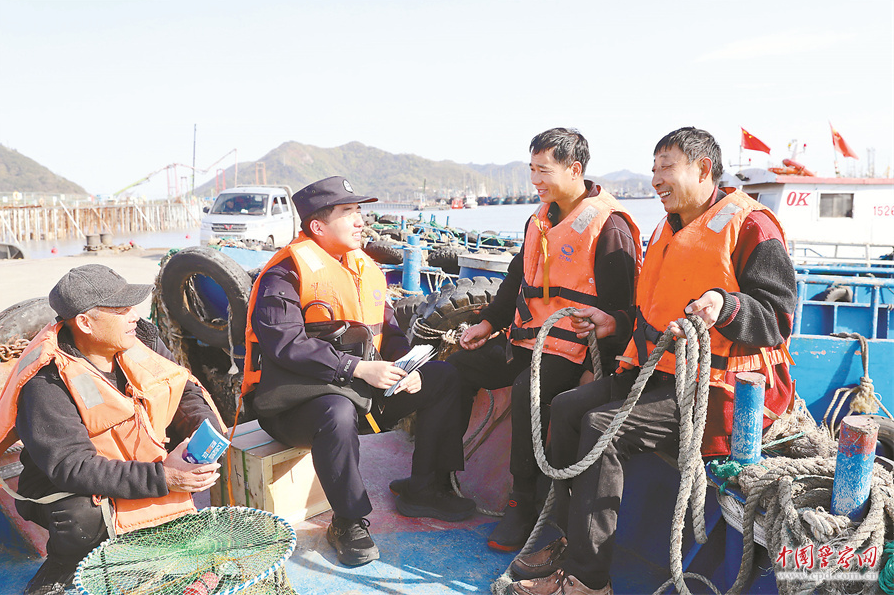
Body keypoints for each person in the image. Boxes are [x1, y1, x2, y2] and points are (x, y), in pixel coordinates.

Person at [507, 127, 798, 595]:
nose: (656, 180)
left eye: (668, 168)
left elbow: (778, 317)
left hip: (715, 392)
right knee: (564, 408)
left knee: (603, 427)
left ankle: (588, 580)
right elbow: (652, 313)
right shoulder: (669, 225)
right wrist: (615, 322)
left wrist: (725, 306)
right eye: (653, 169)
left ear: (704, 169)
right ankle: (565, 539)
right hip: (655, 376)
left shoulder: (750, 226)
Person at [241, 176, 474, 568]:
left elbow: (390, 331)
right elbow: (286, 345)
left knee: (445, 377)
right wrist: (357, 368)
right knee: (337, 410)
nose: (360, 220)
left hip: (361, 391)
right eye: (349, 212)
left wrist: (407, 366)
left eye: (359, 210)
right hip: (292, 405)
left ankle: (426, 487)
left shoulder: (364, 267)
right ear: (318, 226)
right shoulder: (284, 274)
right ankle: (349, 521)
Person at [448, 128, 642, 551]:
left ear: (574, 170)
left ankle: (524, 503)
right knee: (454, 368)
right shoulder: (540, 216)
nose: (535, 180)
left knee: (527, 392)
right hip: (524, 339)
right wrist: (489, 321)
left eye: (543, 170)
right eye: (531, 169)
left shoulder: (609, 227)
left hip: (571, 350)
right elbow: (519, 276)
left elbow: (622, 308)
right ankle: (438, 477)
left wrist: (599, 369)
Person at [0, 264, 225, 595]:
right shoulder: (46, 379)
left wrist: (203, 431)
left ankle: (169, 550)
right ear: (85, 323)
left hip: (140, 461)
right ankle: (62, 565)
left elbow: (181, 389)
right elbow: (71, 467)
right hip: (67, 486)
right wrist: (166, 476)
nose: (134, 315)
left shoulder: (140, 340)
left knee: (199, 470)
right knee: (80, 517)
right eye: (121, 310)